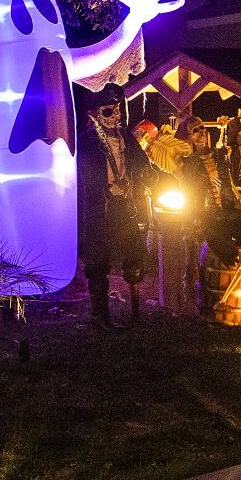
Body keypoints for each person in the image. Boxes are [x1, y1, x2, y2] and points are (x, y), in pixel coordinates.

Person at [76, 82, 152, 328]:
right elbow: (84, 173)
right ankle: (101, 317)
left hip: (126, 205)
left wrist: (155, 177)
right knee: (98, 263)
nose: (115, 116)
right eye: (108, 111)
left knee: (135, 254)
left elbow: (142, 164)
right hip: (100, 210)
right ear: (96, 114)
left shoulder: (126, 138)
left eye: (117, 110)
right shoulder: (86, 142)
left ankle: (136, 310)